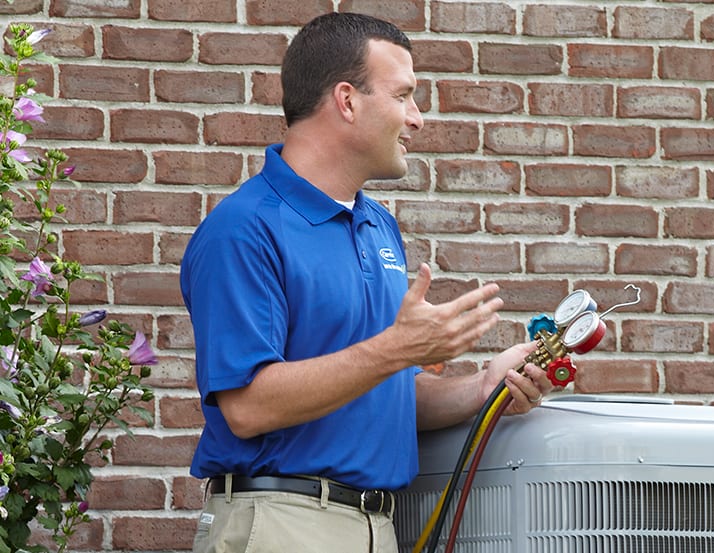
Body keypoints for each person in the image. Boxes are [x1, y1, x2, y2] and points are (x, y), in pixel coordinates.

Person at [180, 13, 554, 553]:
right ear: (348, 101)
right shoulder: (243, 230)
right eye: (404, 96)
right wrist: (396, 349)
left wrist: (482, 390)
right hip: (281, 526)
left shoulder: (378, 225)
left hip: (377, 527)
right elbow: (249, 408)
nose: (417, 119)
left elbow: (386, 389)